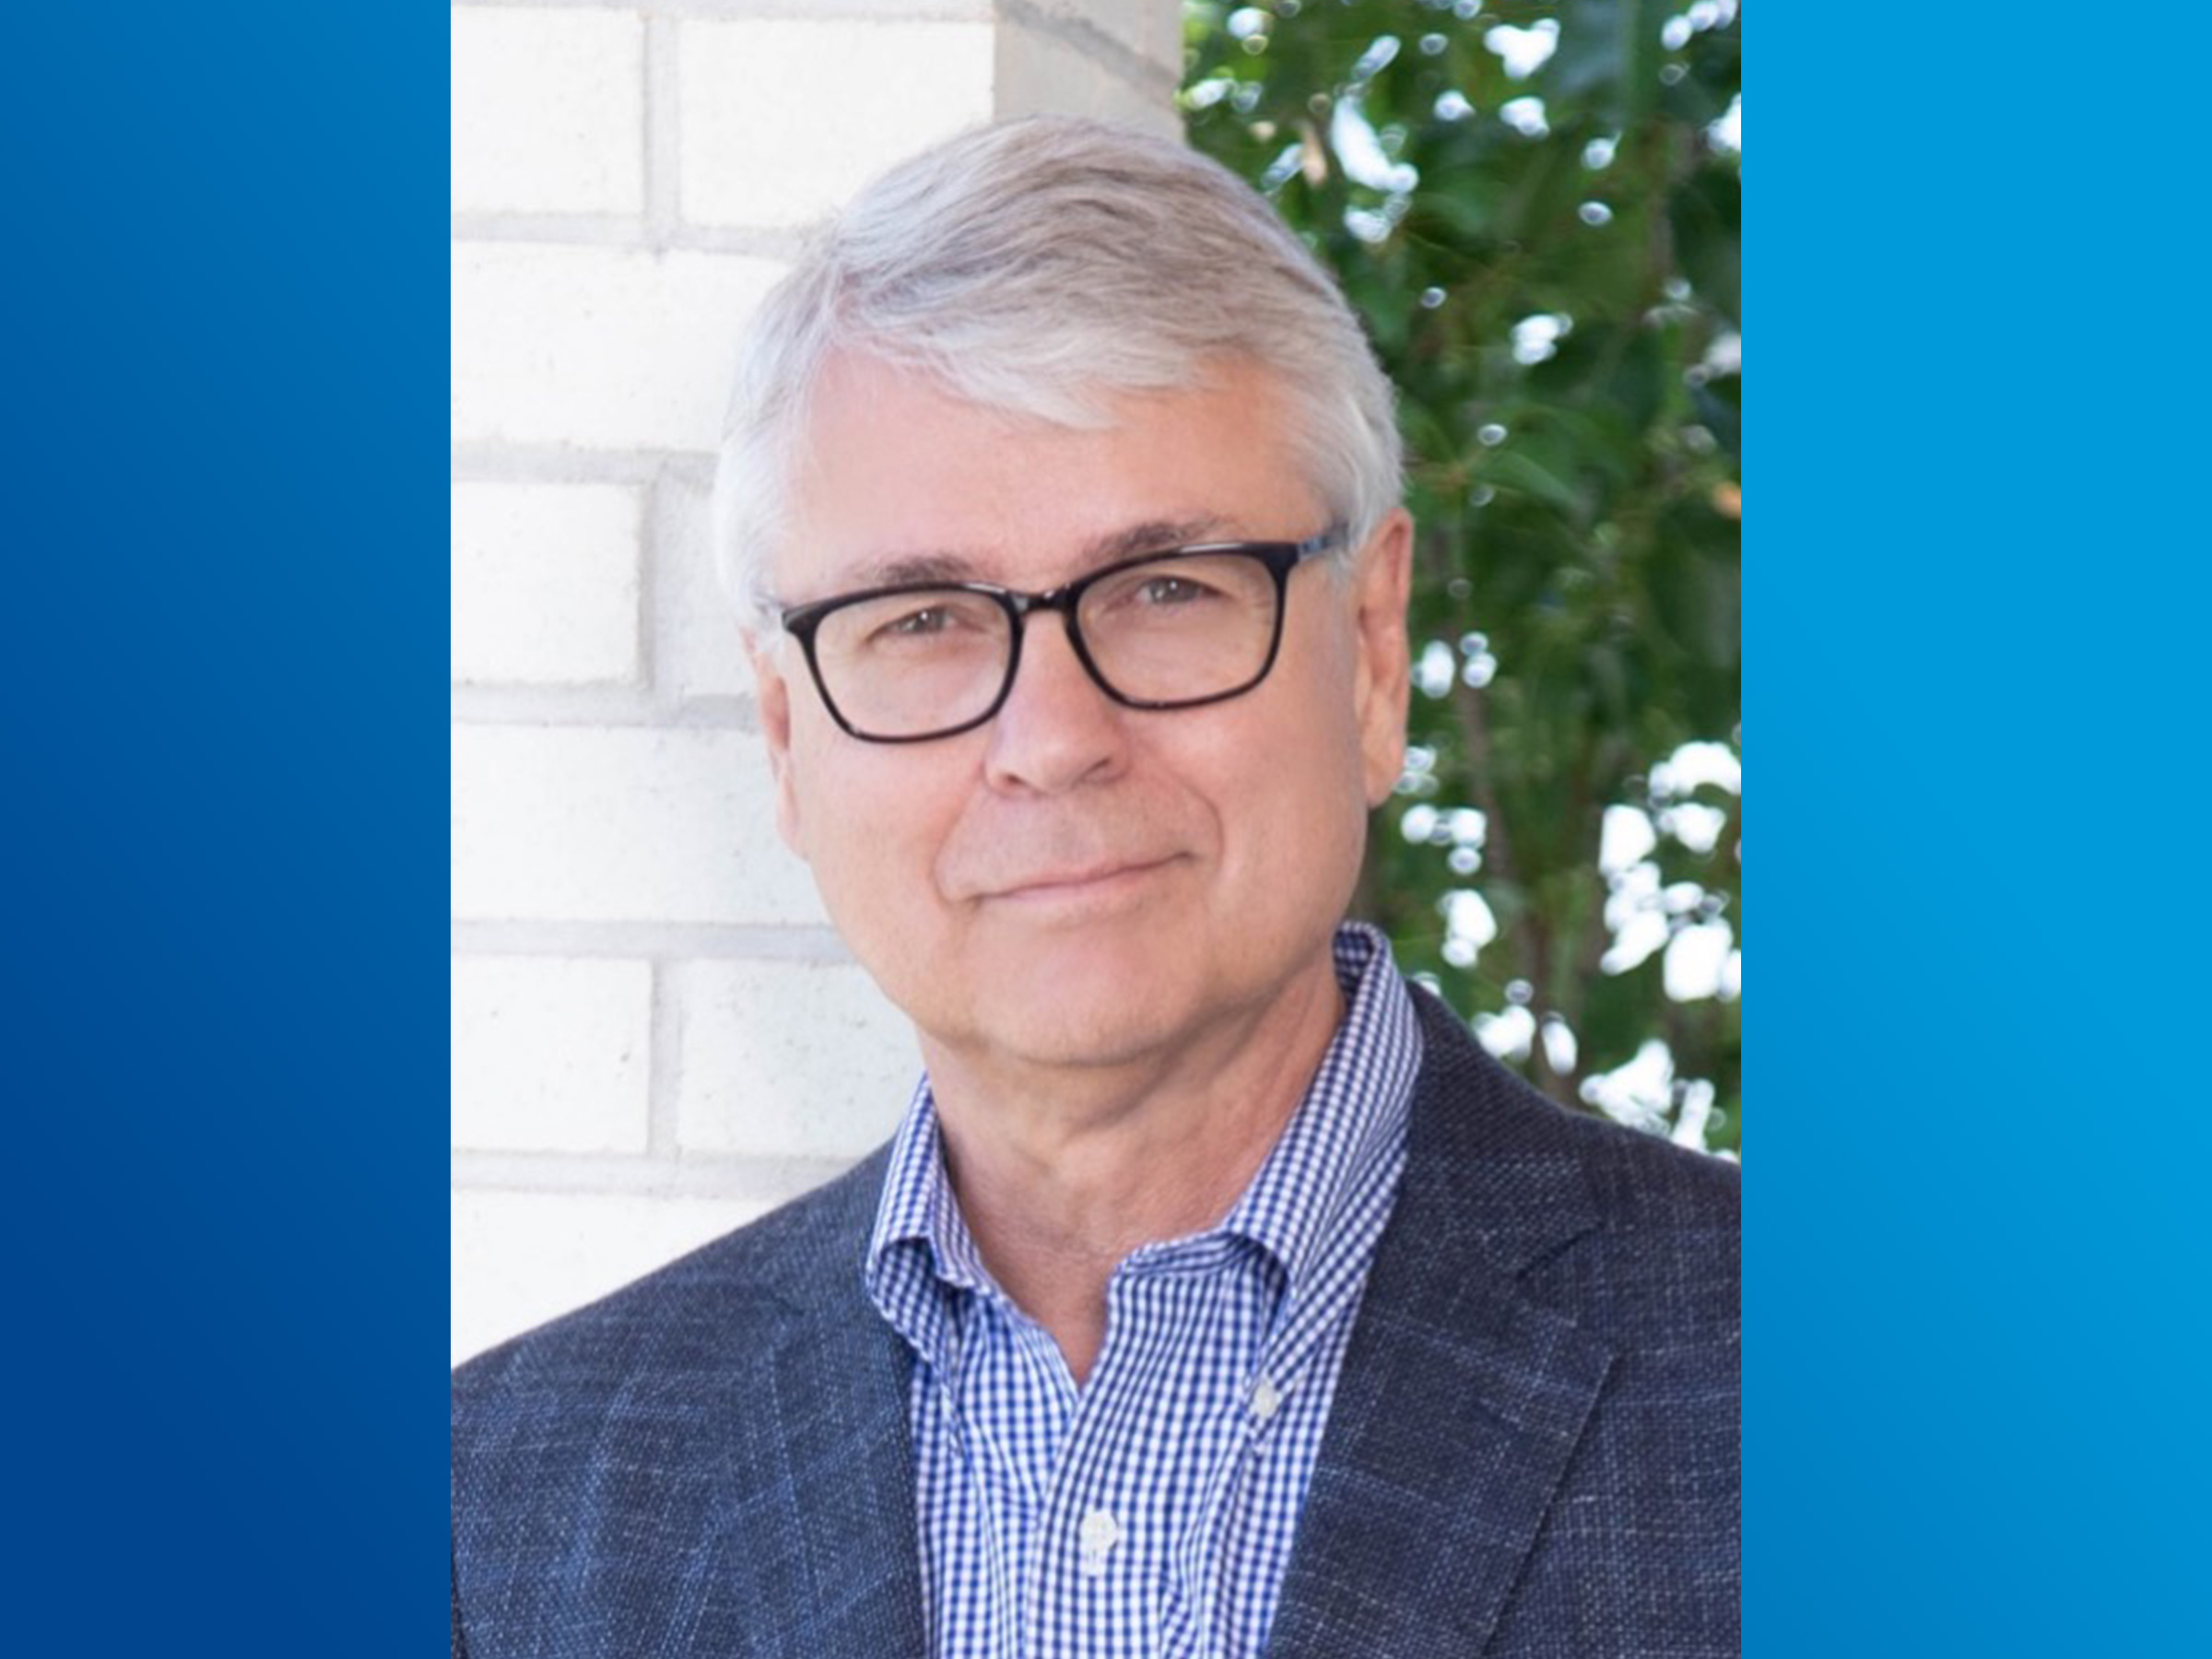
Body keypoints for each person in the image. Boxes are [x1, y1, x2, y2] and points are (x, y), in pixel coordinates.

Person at [451, 115, 1739, 1659]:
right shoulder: (500, 1502)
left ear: (1374, 649)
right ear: (786, 735)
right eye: (920, 619)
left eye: (1168, 591)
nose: (1051, 742)